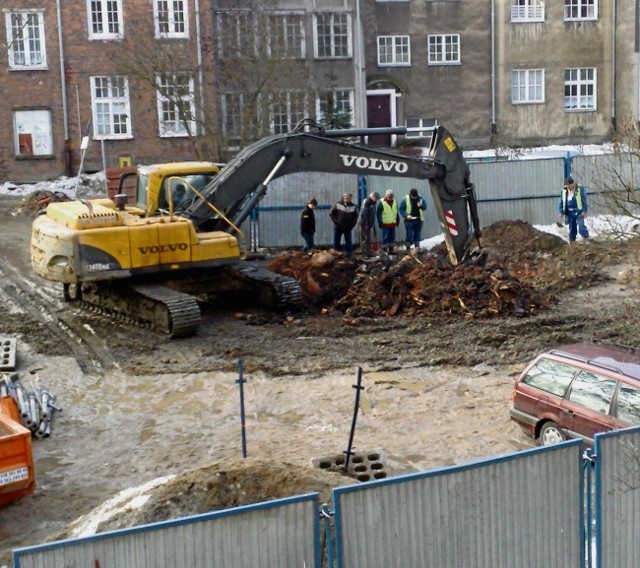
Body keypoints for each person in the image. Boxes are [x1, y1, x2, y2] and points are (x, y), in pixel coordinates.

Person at [558, 176, 589, 242]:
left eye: (570, 186)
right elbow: (561, 201)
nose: (569, 188)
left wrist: (584, 210)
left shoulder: (580, 189)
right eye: (567, 186)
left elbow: (584, 201)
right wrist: (561, 211)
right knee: (572, 227)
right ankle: (572, 240)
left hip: (578, 212)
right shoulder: (564, 191)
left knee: (581, 225)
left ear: (573, 184)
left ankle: (586, 237)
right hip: (569, 212)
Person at [330, 192, 359, 257]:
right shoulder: (337, 204)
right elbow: (332, 214)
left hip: (348, 228)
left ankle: (349, 255)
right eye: (345, 198)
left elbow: (355, 217)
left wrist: (352, 225)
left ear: (350, 199)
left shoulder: (353, 206)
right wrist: (336, 222)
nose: (347, 199)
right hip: (338, 227)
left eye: (348, 198)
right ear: (343, 198)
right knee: (336, 241)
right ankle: (335, 254)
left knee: (348, 242)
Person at [376, 189, 400, 254]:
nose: (390, 198)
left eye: (391, 197)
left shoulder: (395, 202)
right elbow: (378, 214)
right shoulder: (381, 203)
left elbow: (396, 212)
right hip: (385, 224)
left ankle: (391, 250)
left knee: (392, 237)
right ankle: (385, 251)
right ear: (386, 196)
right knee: (385, 237)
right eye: (389, 197)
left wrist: (398, 220)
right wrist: (380, 222)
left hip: (392, 223)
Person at [359, 191, 381, 256]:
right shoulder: (367, 202)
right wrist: (365, 224)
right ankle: (364, 253)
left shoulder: (373, 202)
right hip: (364, 223)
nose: (376, 200)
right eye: (376, 198)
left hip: (369, 223)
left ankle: (369, 252)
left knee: (368, 238)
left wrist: (371, 223)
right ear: (373, 197)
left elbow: (372, 213)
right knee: (364, 238)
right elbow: (364, 214)